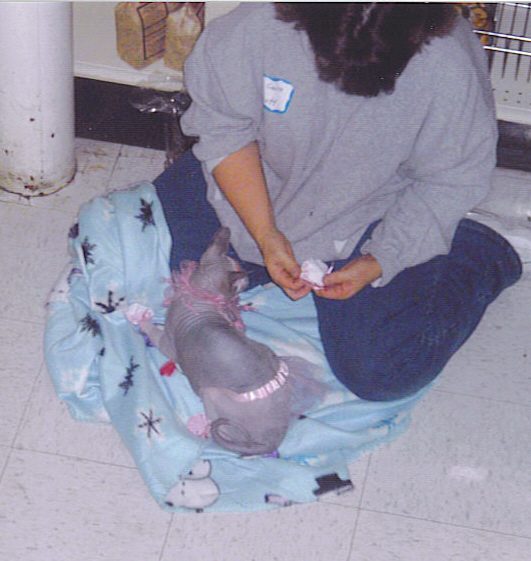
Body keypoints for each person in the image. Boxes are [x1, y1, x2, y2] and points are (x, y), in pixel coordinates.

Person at [154, 3, 522, 402]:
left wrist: (382, 257)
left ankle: (479, 252)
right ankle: (262, 248)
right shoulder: (253, 28)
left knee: (382, 372)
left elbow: (449, 179)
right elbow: (225, 132)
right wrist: (265, 232)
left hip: (375, 210)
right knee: (169, 261)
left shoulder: (448, 62)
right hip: (269, 177)